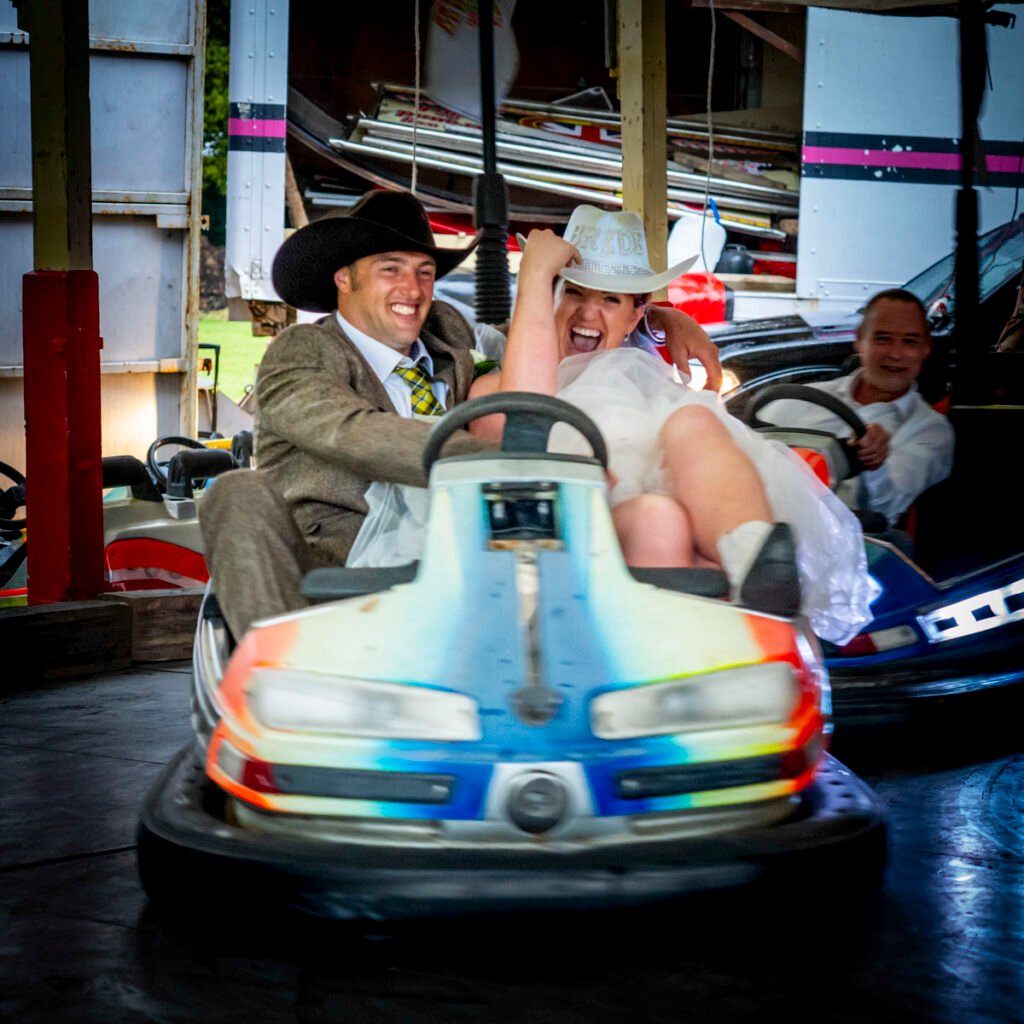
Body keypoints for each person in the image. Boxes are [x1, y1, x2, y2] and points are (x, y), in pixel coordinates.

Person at [200, 189, 722, 638]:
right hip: (340, 566)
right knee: (233, 492)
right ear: (343, 278)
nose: (412, 290)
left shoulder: (448, 334)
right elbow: (355, 434)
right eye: (391, 270)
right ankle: (275, 682)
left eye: (425, 272)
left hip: (467, 558)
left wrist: (656, 320)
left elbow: (530, 347)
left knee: (619, 523)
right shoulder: (301, 353)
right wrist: (508, 459)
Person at [352, 205, 877, 644]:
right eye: (574, 292)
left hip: (648, 515)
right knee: (656, 519)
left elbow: (647, 348)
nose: (589, 313)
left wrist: (668, 317)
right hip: (542, 540)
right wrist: (536, 276)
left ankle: (755, 564)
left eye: (610, 300)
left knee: (693, 423)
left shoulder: (645, 377)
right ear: (548, 297)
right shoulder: (492, 373)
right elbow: (524, 419)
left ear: (634, 315)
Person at [759, 288, 954, 526]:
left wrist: (875, 466)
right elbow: (749, 441)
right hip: (759, 519)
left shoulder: (931, 431)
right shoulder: (804, 397)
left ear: (926, 348)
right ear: (859, 340)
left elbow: (884, 509)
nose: (895, 354)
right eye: (883, 339)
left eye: (909, 342)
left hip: (845, 543)